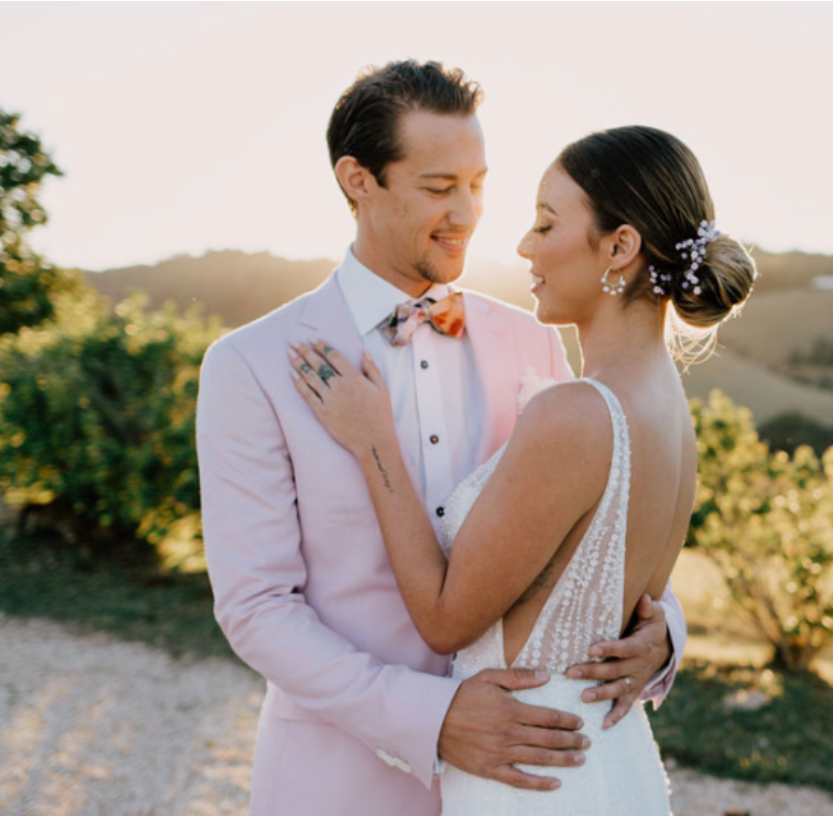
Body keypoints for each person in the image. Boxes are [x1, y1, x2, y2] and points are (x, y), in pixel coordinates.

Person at [196, 60, 685, 816]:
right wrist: (433, 718)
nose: (468, 213)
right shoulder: (250, 365)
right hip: (337, 779)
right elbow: (257, 607)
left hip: (523, 781)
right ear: (359, 180)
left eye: (478, 184)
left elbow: (594, 522)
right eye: (437, 188)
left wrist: (662, 633)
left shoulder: (534, 341)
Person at [288, 124, 757, 815]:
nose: (522, 247)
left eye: (546, 224)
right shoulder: (670, 412)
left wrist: (373, 441)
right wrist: (665, 642)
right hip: (611, 763)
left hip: (532, 774)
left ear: (620, 247)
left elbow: (447, 621)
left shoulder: (576, 413)